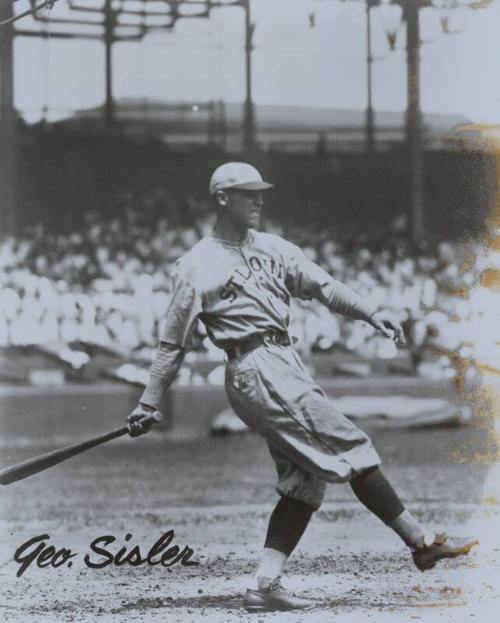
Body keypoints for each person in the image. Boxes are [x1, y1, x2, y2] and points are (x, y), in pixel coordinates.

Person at [127, 163, 477, 613]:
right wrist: (148, 401)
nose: (258, 199)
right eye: (247, 193)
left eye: (260, 192)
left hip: (282, 360)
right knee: (350, 444)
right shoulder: (195, 265)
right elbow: (172, 344)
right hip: (252, 363)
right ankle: (421, 542)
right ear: (221, 199)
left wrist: (371, 312)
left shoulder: (273, 247)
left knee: (303, 482)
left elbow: (325, 287)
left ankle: (265, 586)